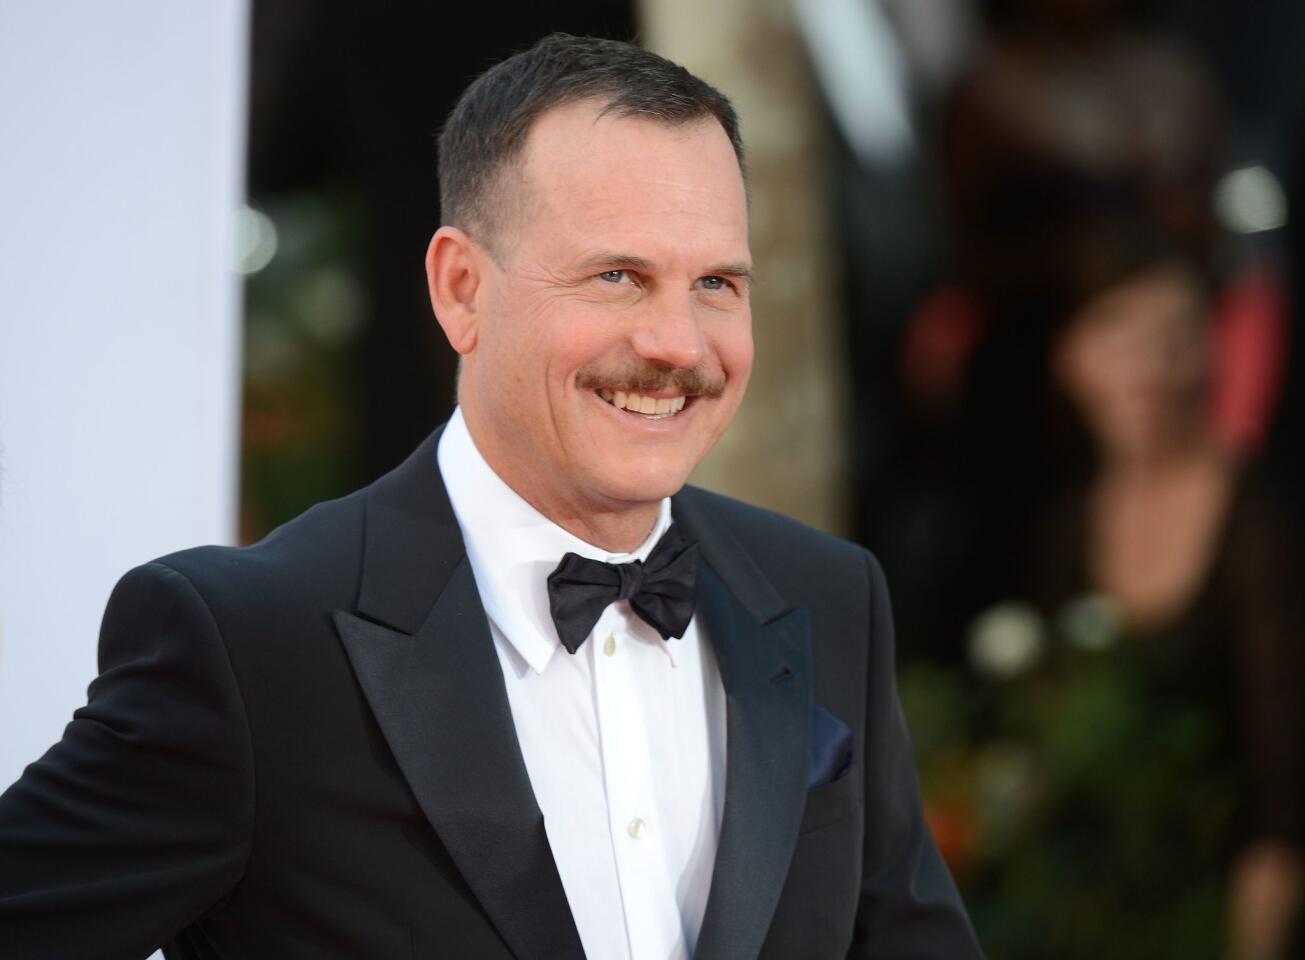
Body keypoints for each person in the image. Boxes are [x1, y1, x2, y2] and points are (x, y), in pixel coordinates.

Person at [0, 34, 981, 959]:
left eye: (718, 283)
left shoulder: (827, 595)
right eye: (618, 275)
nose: (681, 343)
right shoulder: (250, 645)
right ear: (462, 288)